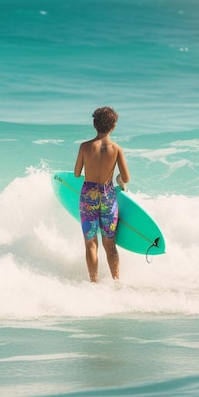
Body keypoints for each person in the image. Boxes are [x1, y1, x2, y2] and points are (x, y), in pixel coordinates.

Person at [74, 106, 130, 283]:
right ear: (114, 126)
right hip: (108, 196)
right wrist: (119, 180)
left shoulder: (85, 147)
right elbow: (126, 177)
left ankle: (94, 283)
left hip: (88, 196)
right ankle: (116, 281)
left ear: (94, 124)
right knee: (109, 242)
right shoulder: (116, 149)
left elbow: (76, 173)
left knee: (91, 242)